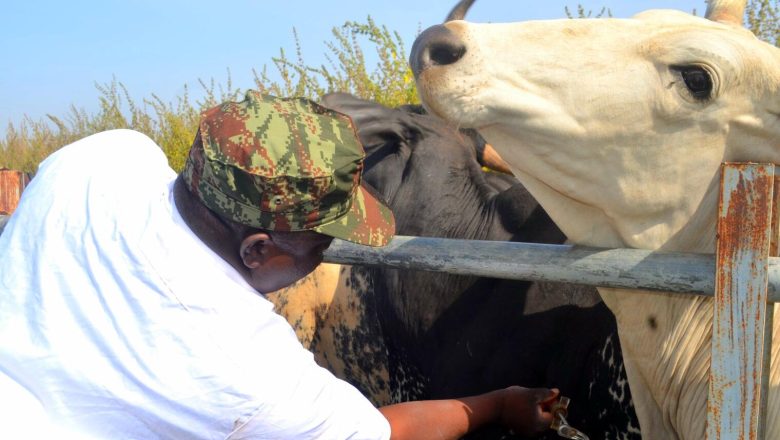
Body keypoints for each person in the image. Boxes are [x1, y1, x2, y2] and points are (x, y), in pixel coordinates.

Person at [0, 91, 559, 439]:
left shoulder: (104, 156)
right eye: (321, 246)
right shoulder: (247, 375)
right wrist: (497, 406)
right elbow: (384, 433)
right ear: (258, 251)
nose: (328, 255)